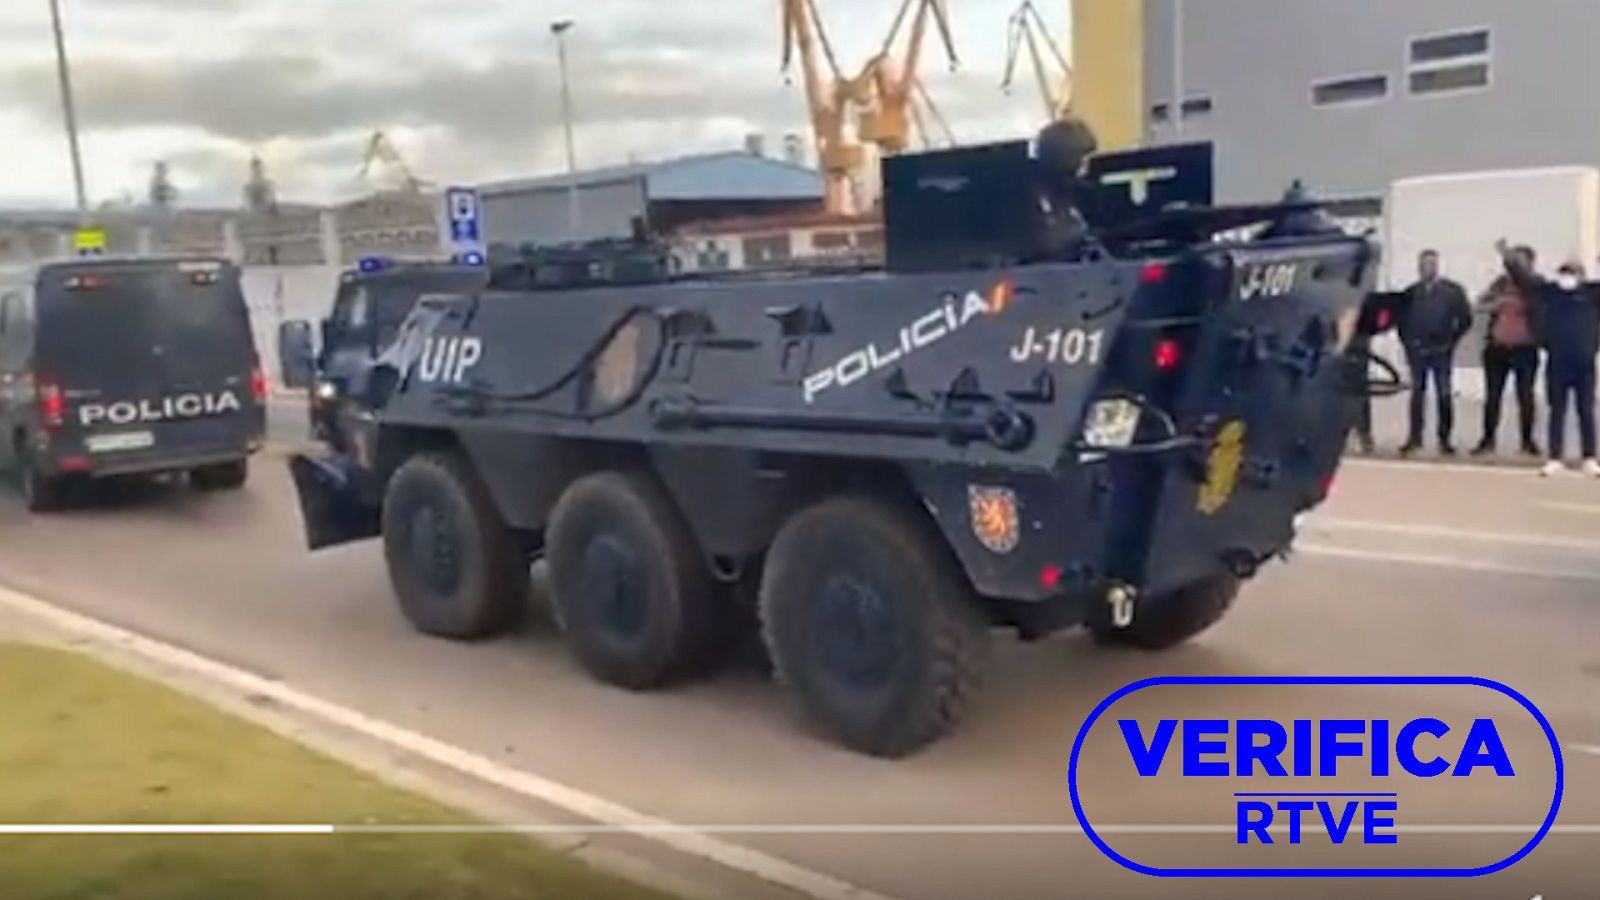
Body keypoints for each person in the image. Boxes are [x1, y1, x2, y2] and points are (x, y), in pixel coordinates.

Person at [1498, 240, 1600, 477]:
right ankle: (1555, 457)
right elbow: (1525, 279)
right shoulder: (1549, 292)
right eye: (1564, 271)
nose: (1568, 276)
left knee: (1586, 410)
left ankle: (1590, 457)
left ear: (1582, 275)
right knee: (1557, 410)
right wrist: (1510, 258)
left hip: (1584, 362)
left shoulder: (1592, 294)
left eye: (1572, 272)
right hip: (1557, 360)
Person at [1397, 249, 1473, 456]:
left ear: (1437, 266)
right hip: (1417, 351)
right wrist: (1408, 344)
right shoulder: (1411, 292)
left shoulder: (1452, 291)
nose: (1426, 269)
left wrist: (1451, 341)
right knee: (1417, 395)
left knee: (1443, 394)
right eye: (1423, 265)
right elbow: (1401, 323)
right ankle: (1414, 438)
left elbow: (1466, 319)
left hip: (1441, 350)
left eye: (1431, 264)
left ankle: (1444, 439)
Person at [1473, 245, 1542, 457]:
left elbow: (1540, 306)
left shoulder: (1536, 285)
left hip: (1524, 347)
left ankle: (1527, 440)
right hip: (1498, 347)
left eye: (1520, 262)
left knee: (1525, 397)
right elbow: (1480, 303)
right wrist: (1496, 303)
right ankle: (1488, 439)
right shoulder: (1501, 283)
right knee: (1493, 396)